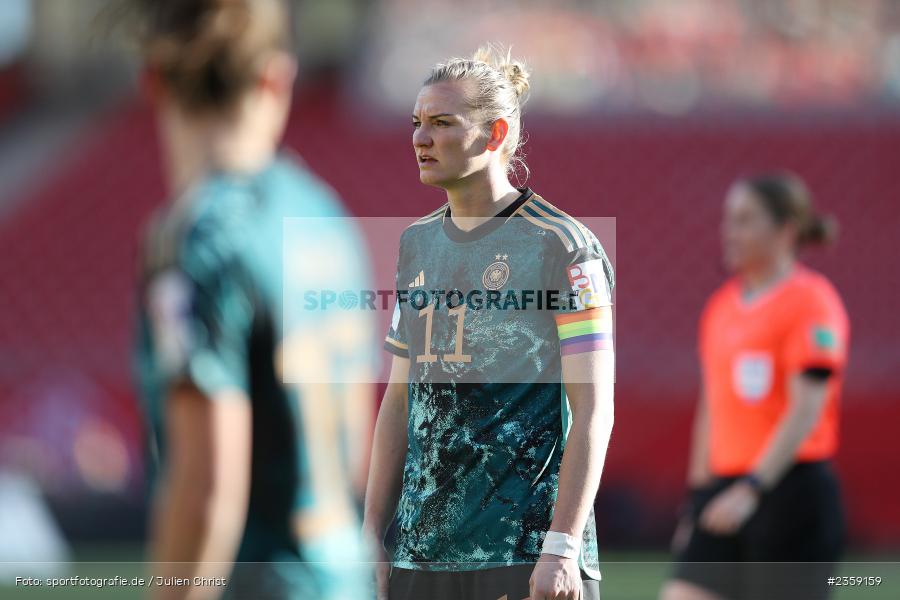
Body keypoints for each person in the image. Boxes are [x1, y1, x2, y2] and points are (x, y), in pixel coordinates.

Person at [132, 1, 374, 598]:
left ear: (154, 81)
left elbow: (206, 486)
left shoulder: (199, 239)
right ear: (276, 76)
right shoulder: (326, 216)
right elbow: (358, 453)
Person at [363, 45, 615, 600]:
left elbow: (594, 408)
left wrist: (562, 547)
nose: (420, 139)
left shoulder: (565, 246)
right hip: (421, 557)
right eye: (416, 123)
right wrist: (371, 533)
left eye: (441, 123)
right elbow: (399, 399)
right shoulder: (415, 244)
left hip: (525, 556)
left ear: (495, 134)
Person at [661, 173, 850, 600]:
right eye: (729, 219)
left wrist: (753, 489)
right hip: (723, 491)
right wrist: (696, 501)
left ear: (785, 230)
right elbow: (712, 405)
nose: (730, 232)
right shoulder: (721, 306)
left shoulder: (812, 301)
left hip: (788, 492)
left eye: (745, 220)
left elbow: (807, 409)